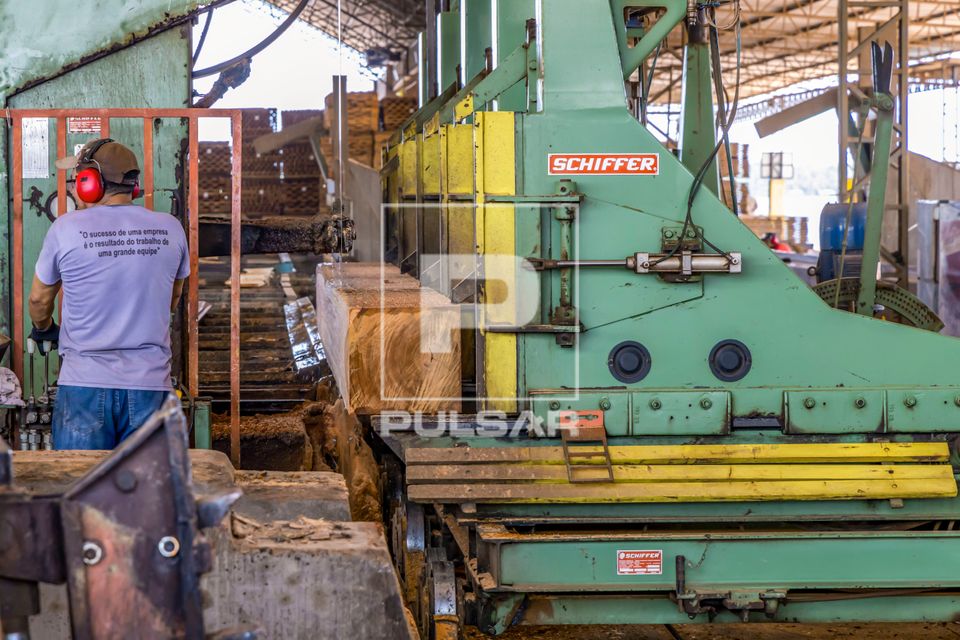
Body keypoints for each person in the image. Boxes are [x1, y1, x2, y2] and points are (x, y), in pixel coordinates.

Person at [28, 138, 190, 449]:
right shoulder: (171, 228)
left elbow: (39, 299)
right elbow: (172, 298)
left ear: (91, 183)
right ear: (133, 186)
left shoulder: (65, 229)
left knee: (80, 479)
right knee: (145, 479)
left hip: (84, 386)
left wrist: (44, 328)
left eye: (78, 178)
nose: (75, 186)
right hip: (151, 385)